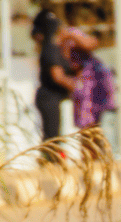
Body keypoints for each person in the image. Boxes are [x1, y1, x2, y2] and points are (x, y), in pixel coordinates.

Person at [31, 10, 98, 140]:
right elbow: (58, 76)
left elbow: (91, 44)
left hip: (57, 98)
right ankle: (51, 160)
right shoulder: (50, 49)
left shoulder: (59, 47)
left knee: (56, 135)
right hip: (49, 98)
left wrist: (72, 36)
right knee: (52, 137)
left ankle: (54, 158)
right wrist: (78, 87)